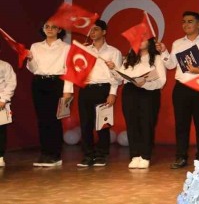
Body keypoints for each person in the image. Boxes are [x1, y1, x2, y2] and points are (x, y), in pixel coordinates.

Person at [157, 11, 199, 169]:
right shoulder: (177, 43)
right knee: (181, 124)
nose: (186, 24)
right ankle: (181, 156)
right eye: (183, 21)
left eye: (190, 21)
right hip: (182, 88)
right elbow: (171, 65)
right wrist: (163, 51)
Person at [76, 20, 122, 168]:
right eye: (90, 30)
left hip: (103, 89)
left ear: (104, 32)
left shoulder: (114, 52)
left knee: (102, 124)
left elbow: (119, 77)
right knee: (86, 123)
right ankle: (88, 155)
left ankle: (102, 154)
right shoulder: (84, 50)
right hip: (86, 89)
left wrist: (113, 93)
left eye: (96, 29)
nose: (92, 32)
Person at [26, 22, 73, 167]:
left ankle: (55, 154)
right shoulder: (35, 46)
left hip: (56, 83)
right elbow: (33, 68)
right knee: (42, 119)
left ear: (59, 29)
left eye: (53, 27)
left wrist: (67, 91)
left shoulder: (66, 47)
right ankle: (45, 153)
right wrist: (30, 59)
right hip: (39, 82)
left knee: (54, 119)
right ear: (43, 29)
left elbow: (69, 69)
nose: (50, 29)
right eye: (47, 27)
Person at [118, 38, 166, 169]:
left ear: (149, 42)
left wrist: (145, 83)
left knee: (146, 123)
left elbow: (161, 81)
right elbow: (120, 77)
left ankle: (145, 156)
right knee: (131, 123)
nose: (139, 41)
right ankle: (135, 155)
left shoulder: (156, 58)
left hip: (148, 93)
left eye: (143, 39)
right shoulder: (130, 57)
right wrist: (113, 69)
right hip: (130, 92)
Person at [0, 46, 17, 168]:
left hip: (1, 103)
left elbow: (11, 83)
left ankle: (0, 156)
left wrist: (3, 99)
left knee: (0, 131)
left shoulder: (5, 66)